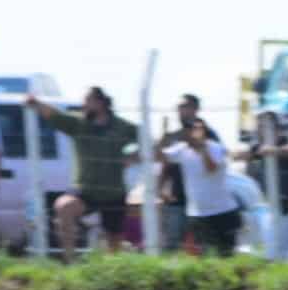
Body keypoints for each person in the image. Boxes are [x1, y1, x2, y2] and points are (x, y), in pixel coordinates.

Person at [27, 87, 138, 260]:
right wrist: (36, 102)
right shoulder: (79, 124)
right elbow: (55, 116)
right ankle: (70, 259)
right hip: (85, 190)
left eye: (87, 100)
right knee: (64, 206)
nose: (83, 104)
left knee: (114, 241)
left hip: (114, 192)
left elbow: (146, 141)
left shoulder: (122, 127)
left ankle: (113, 270)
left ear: (100, 103)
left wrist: (133, 156)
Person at [242, 111, 288, 260]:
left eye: (261, 126)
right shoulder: (259, 145)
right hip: (275, 209)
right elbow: (243, 154)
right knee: (272, 256)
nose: (258, 131)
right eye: (258, 127)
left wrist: (275, 150)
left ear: (274, 127)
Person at [159, 120, 238, 257]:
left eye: (197, 129)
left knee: (226, 256)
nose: (192, 133)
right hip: (197, 215)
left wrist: (202, 148)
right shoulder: (182, 149)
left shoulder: (215, 147)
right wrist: (164, 137)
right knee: (204, 258)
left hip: (223, 212)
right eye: (190, 130)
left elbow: (211, 168)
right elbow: (158, 156)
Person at [158, 94, 218, 250]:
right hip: (176, 198)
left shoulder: (209, 136)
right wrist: (161, 188)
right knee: (172, 244)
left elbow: (216, 166)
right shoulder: (173, 136)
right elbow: (165, 163)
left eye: (185, 107)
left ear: (195, 109)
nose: (181, 111)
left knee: (204, 245)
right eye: (179, 107)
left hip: (203, 200)